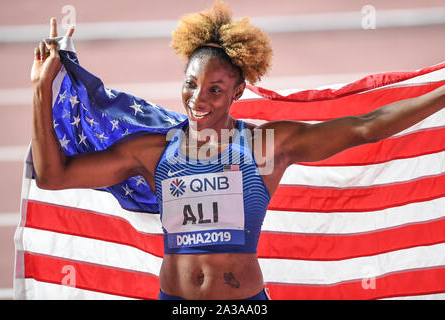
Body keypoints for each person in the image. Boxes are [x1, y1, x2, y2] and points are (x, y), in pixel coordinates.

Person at [30, 1, 444, 300]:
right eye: (191, 84)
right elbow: (53, 177)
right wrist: (41, 88)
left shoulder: (264, 146)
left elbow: (366, 127)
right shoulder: (155, 150)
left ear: (238, 91)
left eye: (215, 90)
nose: (198, 99)